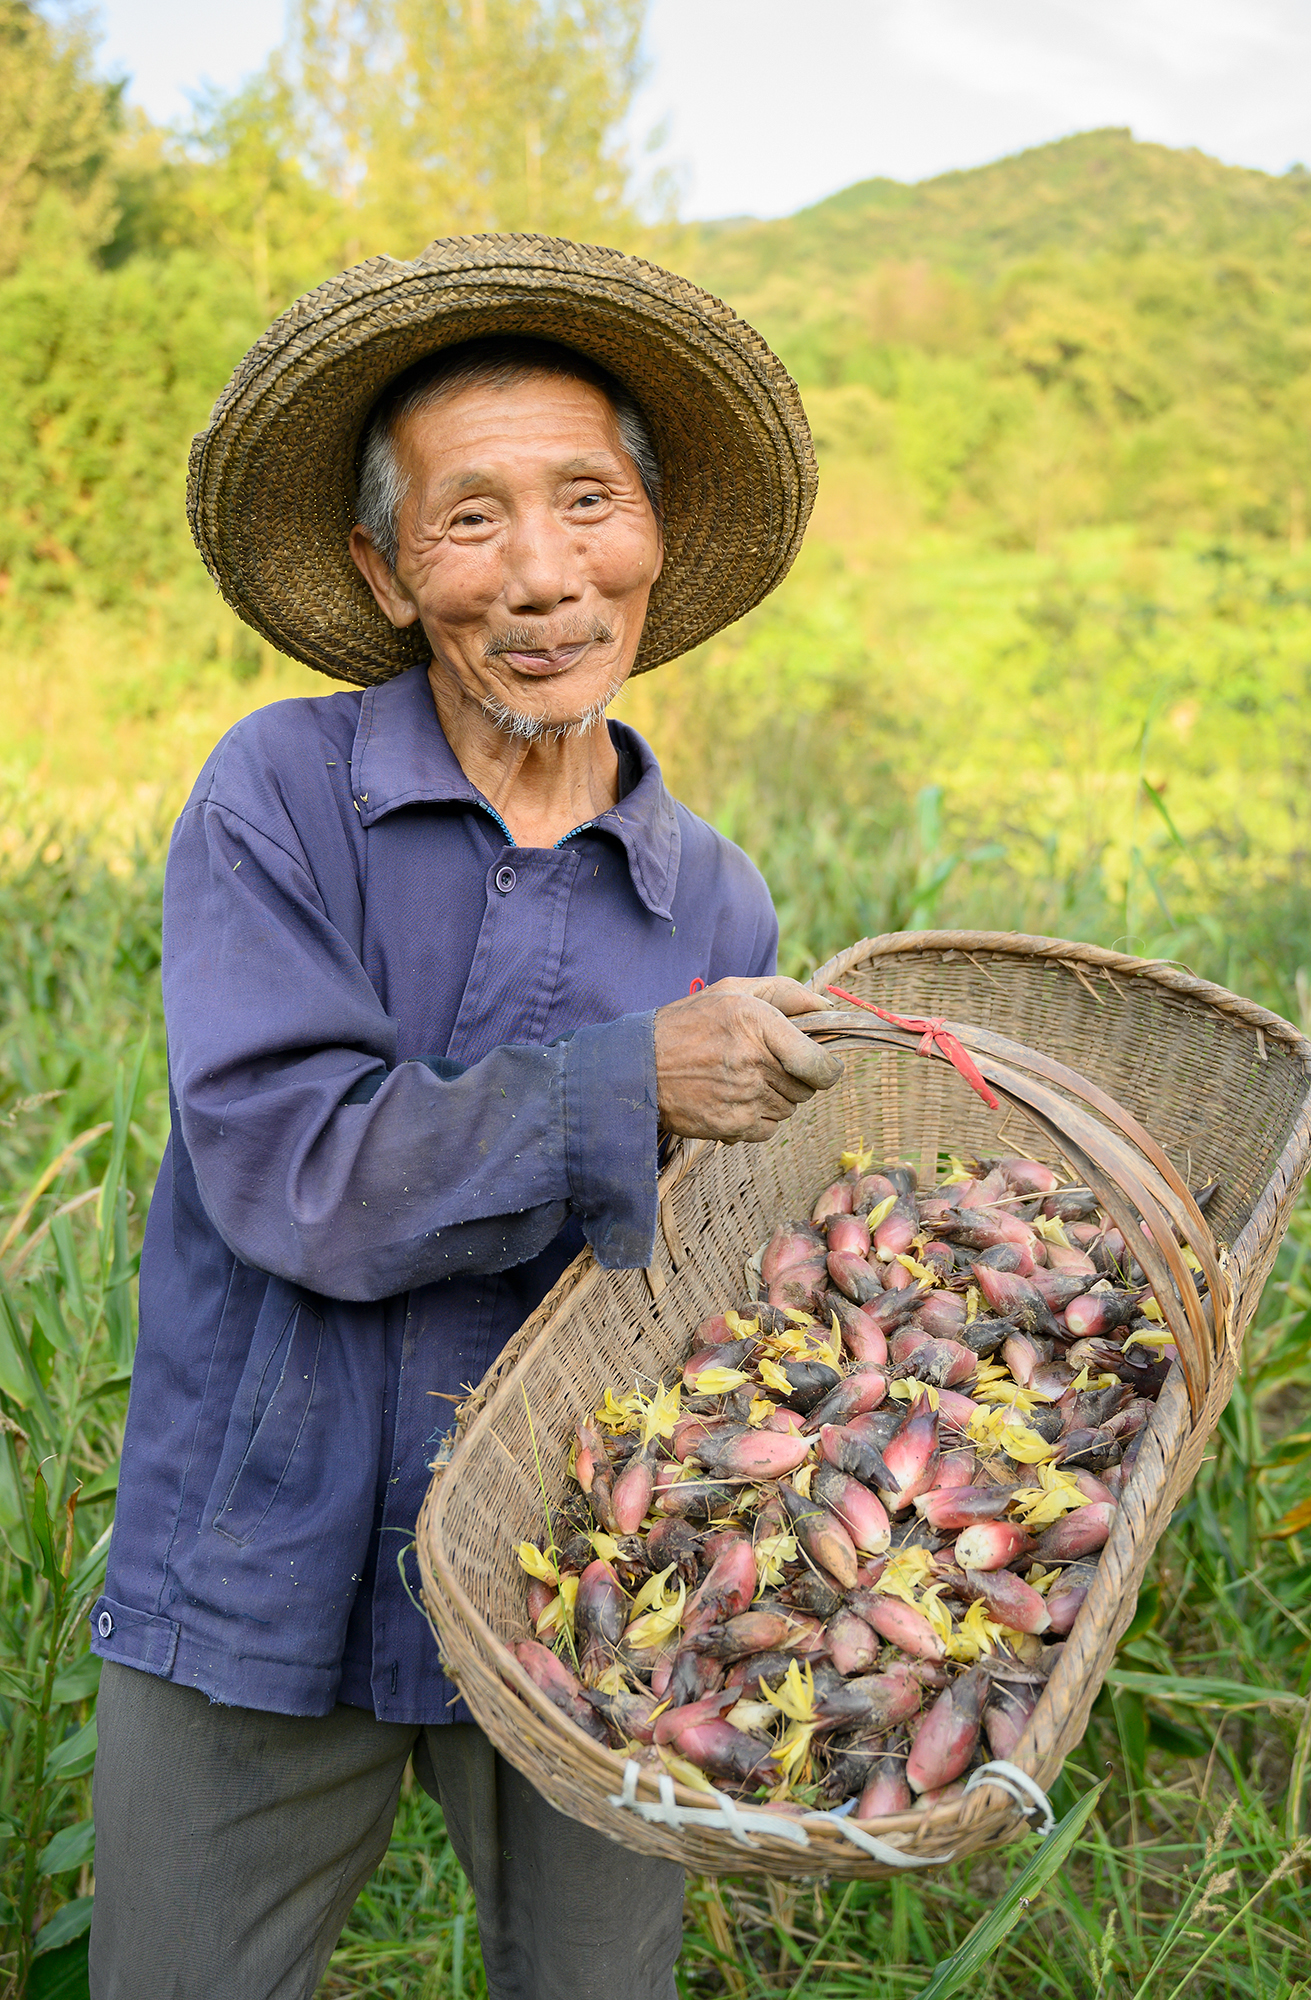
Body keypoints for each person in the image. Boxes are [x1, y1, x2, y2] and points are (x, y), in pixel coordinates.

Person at [88, 235, 839, 2000]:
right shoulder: (282, 795)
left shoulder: (714, 905)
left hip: (575, 1581)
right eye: (471, 517)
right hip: (258, 1561)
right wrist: (630, 1081)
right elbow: (295, 1174)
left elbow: (707, 1302)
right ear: (384, 562)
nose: (545, 577)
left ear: (653, 536)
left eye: (589, 502)